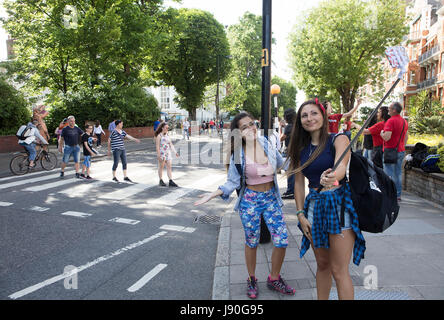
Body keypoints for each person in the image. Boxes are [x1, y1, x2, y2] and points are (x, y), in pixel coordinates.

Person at [194, 112, 295, 300]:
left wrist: (302, 161)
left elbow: (282, 164)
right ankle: (251, 278)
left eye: (252, 124)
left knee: (281, 240)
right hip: (250, 201)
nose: (251, 128)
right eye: (244, 127)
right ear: (238, 133)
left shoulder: (266, 143)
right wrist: (213, 193)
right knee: (252, 241)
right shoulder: (238, 154)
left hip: (271, 199)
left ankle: (274, 278)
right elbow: (231, 182)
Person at [286, 99, 366, 300]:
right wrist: (300, 213)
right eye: (304, 115)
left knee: (339, 271)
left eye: (314, 113)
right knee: (322, 265)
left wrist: (332, 177)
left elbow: (340, 168)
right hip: (313, 206)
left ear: (323, 116)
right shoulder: (299, 148)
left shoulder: (338, 139)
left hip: (338, 206)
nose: (309, 118)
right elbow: (298, 183)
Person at [380, 102, 408, 201]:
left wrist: (381, 133)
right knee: (398, 173)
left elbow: (387, 137)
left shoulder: (390, 121)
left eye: (389, 109)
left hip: (390, 150)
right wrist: (402, 146)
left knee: (388, 173)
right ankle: (397, 194)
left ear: (394, 110)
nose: (388, 110)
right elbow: (406, 137)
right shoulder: (404, 121)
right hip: (400, 150)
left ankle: (389, 194)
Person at [155, 122, 179, 187]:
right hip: (162, 154)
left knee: (169, 167)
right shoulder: (159, 136)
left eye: (168, 128)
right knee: (161, 167)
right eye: (166, 127)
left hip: (168, 153)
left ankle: (170, 181)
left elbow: (171, 144)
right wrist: (159, 155)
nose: (167, 129)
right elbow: (157, 147)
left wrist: (175, 152)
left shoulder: (167, 135)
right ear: (162, 128)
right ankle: (160, 180)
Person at [281, 108, 297, 199]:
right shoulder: (297, 125)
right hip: (297, 149)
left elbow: (283, 138)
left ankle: (290, 191)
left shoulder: (289, 126)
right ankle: (293, 190)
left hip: (290, 151)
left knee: (290, 171)